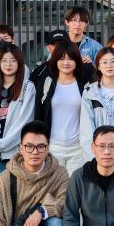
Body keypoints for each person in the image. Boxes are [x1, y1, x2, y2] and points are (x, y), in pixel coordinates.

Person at [35, 40, 90, 174]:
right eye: (61, 58)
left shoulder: (84, 83)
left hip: (78, 148)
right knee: (52, 186)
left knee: (75, 186)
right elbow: (38, 114)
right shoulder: (47, 82)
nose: (66, 63)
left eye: (70, 58)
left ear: (77, 60)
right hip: (52, 147)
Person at [0, 43, 36, 192]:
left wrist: (1, 144)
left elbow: (25, 121)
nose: (8, 64)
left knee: (18, 194)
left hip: (15, 152)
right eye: (4, 60)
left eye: (13, 60)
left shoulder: (27, 87)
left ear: (19, 63)